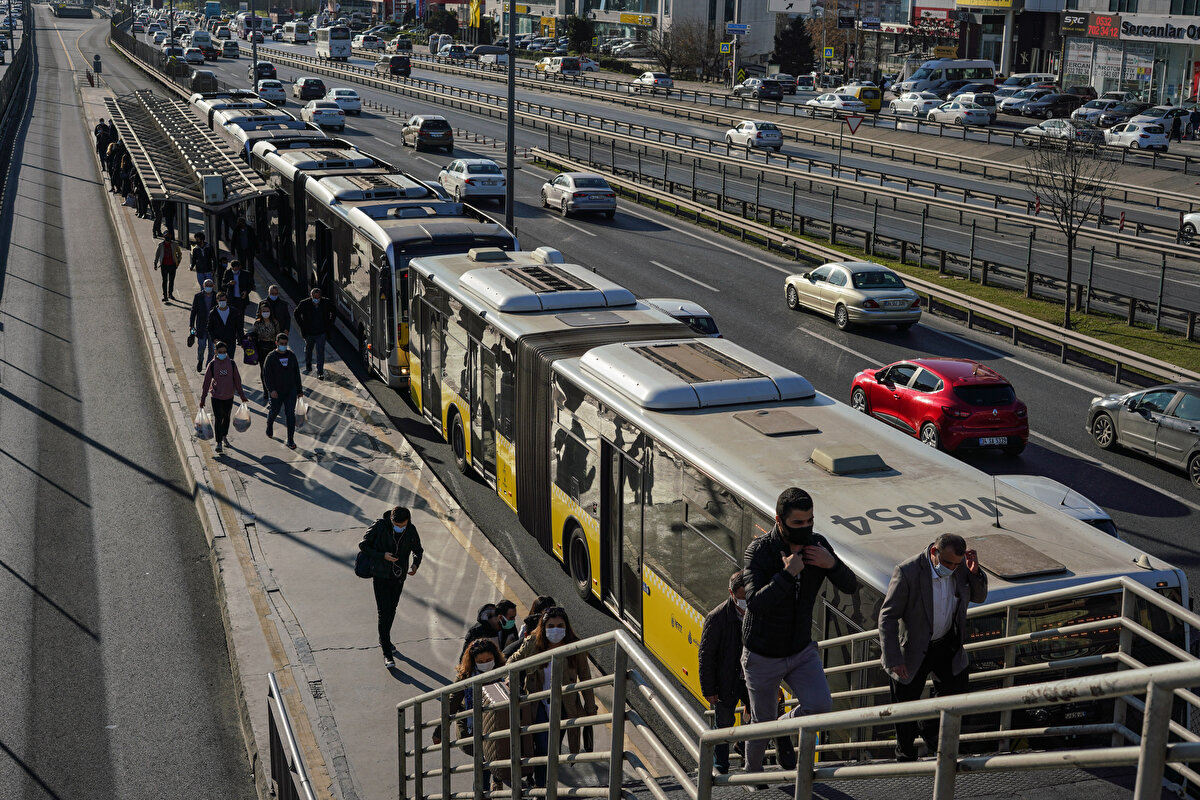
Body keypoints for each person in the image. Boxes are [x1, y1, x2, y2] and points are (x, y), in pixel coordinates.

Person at [740, 487, 858, 776]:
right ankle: (751, 775)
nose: (805, 527)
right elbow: (756, 604)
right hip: (763, 654)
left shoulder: (817, 546)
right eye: (798, 522)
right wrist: (787, 574)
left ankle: (777, 728)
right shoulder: (759, 551)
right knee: (761, 721)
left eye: (810, 521)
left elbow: (850, 586)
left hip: (801, 649)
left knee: (820, 705)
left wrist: (832, 564)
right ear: (779, 520)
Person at [879, 533, 987, 762]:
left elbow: (979, 597)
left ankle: (928, 729)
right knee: (905, 707)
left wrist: (975, 572)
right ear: (933, 552)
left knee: (956, 696)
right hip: (913, 649)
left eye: (956, 564)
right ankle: (905, 756)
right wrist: (893, 658)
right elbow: (887, 617)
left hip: (947, 645)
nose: (952, 568)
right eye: (948, 563)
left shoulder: (961, 568)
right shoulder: (907, 571)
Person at [507, 607, 598, 787]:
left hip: (565, 705)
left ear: (566, 627)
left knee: (552, 748)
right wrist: (510, 678)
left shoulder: (575, 647)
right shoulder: (532, 643)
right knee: (543, 747)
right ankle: (542, 787)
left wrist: (590, 708)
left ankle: (546, 786)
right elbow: (512, 660)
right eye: (550, 626)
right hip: (537, 703)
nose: (555, 630)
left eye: (560, 626)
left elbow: (585, 678)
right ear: (543, 627)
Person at [699, 571, 751, 775]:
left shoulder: (757, 611)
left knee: (761, 717)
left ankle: (744, 747)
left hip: (749, 680)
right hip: (726, 683)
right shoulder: (717, 618)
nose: (745, 602)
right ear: (731, 593)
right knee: (724, 725)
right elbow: (706, 656)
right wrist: (709, 690)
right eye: (741, 598)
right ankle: (720, 767)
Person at [358, 506, 423, 668]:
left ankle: (384, 638)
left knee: (391, 609)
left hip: (398, 577)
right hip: (381, 575)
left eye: (403, 525)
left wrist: (415, 564)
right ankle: (387, 652)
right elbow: (363, 545)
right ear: (391, 520)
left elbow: (417, 550)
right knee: (383, 612)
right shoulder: (379, 526)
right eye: (397, 525)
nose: (400, 528)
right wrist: (383, 555)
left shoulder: (411, 530)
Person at [199, 341, 249, 454]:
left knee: (226, 417)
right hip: (216, 397)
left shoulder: (231, 364)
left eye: (224, 352)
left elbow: (237, 381)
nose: (222, 354)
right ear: (215, 352)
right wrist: (203, 399)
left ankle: (224, 436)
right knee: (218, 418)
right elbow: (206, 383)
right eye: (220, 352)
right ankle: (218, 443)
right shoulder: (212, 365)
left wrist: (242, 396)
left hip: (229, 396)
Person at [261, 332, 303, 449]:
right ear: (276, 343)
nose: (283, 345)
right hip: (276, 391)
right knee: (274, 411)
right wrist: (271, 390)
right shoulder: (271, 357)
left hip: (290, 390)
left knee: (290, 414)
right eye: (281, 343)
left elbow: (296, 374)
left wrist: (299, 390)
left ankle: (290, 440)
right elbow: (266, 376)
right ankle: (269, 424)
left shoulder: (291, 356)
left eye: (285, 343)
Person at [294, 287, 335, 379]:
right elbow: (296, 313)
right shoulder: (304, 304)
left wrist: (330, 323)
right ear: (311, 296)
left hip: (321, 332)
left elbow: (334, 311)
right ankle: (308, 363)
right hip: (309, 333)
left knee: (320, 351)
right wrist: (302, 325)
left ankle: (320, 371)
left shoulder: (326, 303)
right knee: (309, 349)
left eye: (318, 297)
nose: (316, 299)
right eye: (314, 297)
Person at [250, 300, 280, 395]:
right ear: (260, 312)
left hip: (273, 348)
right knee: (264, 370)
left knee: (274, 370)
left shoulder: (274, 322)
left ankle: (274, 388)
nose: (265, 313)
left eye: (267, 311)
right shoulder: (257, 323)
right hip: (261, 348)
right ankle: (266, 390)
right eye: (263, 311)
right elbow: (254, 334)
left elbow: (278, 335)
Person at [190, 278, 218, 372]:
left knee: (212, 349)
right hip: (201, 327)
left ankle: (208, 366)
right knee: (201, 346)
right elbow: (193, 311)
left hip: (213, 328)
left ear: (213, 286)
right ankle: (200, 360)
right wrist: (191, 325)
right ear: (203, 286)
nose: (209, 287)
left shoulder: (216, 296)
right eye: (207, 285)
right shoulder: (198, 296)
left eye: (210, 285)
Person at [208, 291, 242, 360]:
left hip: (231, 342)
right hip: (218, 343)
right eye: (220, 300)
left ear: (226, 300)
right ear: (217, 301)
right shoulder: (213, 313)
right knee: (218, 361)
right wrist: (214, 339)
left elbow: (239, 327)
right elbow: (209, 328)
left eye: (223, 300)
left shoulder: (234, 312)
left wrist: (241, 340)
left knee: (230, 361)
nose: (222, 302)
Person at [153, 231, 182, 302]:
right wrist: (155, 263)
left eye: (168, 235)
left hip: (172, 265)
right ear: (163, 236)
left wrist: (178, 261)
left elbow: (179, 253)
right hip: (164, 266)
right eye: (166, 235)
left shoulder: (174, 244)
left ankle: (170, 294)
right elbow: (157, 255)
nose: (167, 237)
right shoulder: (161, 245)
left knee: (171, 280)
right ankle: (165, 295)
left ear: (171, 236)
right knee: (165, 280)